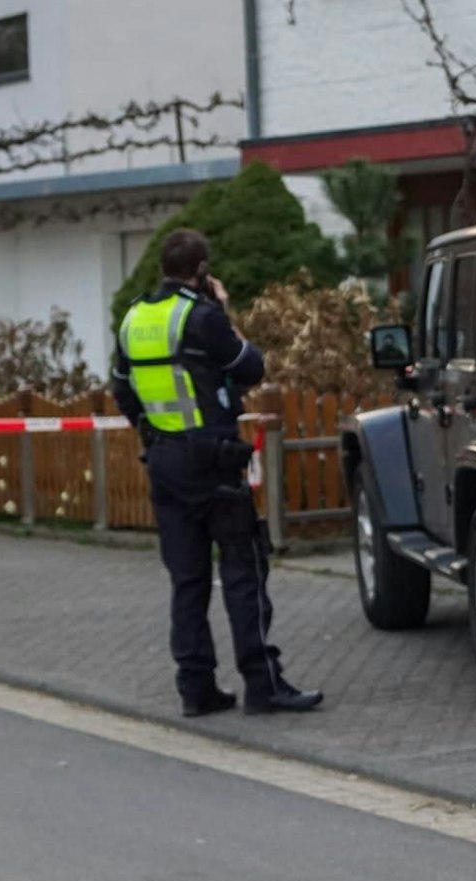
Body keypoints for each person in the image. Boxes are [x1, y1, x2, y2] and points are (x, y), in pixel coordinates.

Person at [111, 229, 323, 719]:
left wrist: (154, 432)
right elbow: (251, 368)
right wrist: (224, 309)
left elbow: (122, 391)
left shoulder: (134, 319)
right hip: (214, 463)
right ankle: (262, 684)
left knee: (188, 580)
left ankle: (197, 689)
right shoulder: (202, 317)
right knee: (243, 570)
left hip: (164, 463)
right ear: (202, 272)